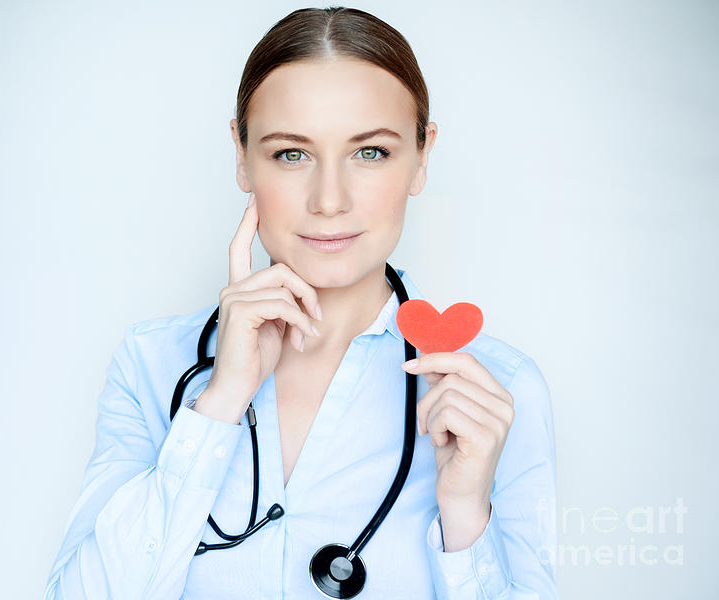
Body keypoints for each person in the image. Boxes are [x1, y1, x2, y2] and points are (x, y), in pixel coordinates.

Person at [44, 7, 558, 599]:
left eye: (371, 153)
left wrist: (465, 515)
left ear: (422, 155)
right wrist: (219, 404)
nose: (329, 199)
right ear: (241, 154)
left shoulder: (498, 393)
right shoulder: (151, 365)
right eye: (292, 153)